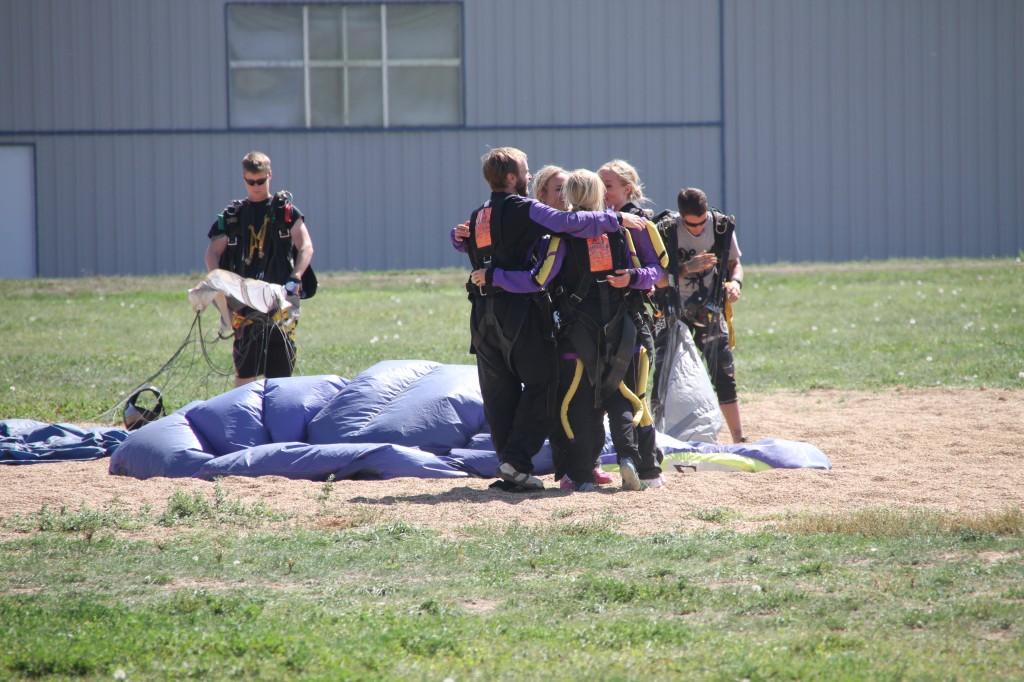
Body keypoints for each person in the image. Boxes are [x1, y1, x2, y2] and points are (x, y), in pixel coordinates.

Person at [452, 148, 647, 491]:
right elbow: (568, 224)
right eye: (526, 172)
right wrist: (615, 219)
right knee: (547, 383)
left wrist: (459, 240)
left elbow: (478, 247)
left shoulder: (479, 214)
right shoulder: (525, 208)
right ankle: (518, 461)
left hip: (481, 317)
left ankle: (512, 469)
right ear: (512, 178)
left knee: (499, 394)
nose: (528, 176)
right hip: (516, 312)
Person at [506, 169, 664, 491]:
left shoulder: (559, 239)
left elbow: (539, 280)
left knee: (576, 404)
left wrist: (494, 277)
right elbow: (657, 271)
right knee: (626, 397)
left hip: (576, 337)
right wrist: (632, 279)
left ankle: (580, 475)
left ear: (567, 197)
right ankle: (631, 461)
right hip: (623, 332)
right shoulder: (624, 230)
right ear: (600, 195)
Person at [205, 151, 315, 387]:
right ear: (243, 178)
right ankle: (244, 418)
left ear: (270, 175)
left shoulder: (286, 213)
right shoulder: (233, 216)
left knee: (280, 372)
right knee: (246, 368)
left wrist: (296, 276)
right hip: (244, 303)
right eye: (250, 181)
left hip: (280, 298)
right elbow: (212, 253)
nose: (255, 186)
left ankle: (278, 420)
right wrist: (221, 285)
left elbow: (305, 246)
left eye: (261, 181)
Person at [655, 187, 746, 442]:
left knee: (724, 373)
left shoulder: (720, 227)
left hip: (709, 307)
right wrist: (686, 268)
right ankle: (661, 437)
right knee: (665, 374)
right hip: (672, 308)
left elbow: (734, 264)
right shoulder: (665, 231)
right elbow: (655, 279)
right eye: (690, 225)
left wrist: (735, 283)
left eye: (700, 223)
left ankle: (739, 437)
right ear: (680, 216)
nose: (696, 230)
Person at [597, 159, 665, 487]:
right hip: (605, 320)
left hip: (634, 319)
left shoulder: (638, 222)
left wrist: (633, 278)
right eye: (600, 185)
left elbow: (658, 270)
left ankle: (650, 469)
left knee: (636, 392)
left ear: (627, 188)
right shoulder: (597, 221)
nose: (603, 192)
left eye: (608, 186)